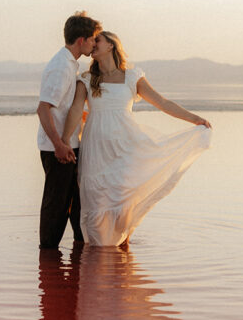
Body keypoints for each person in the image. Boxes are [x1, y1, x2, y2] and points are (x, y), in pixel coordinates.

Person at [61, 31, 211, 247]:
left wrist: (194, 118)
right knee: (96, 201)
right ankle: (99, 260)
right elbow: (76, 110)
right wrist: (64, 140)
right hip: (96, 148)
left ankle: (124, 255)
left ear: (111, 45)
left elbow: (162, 102)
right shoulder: (86, 79)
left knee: (123, 204)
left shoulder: (132, 77)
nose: (93, 44)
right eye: (92, 40)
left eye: (98, 40)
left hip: (126, 146)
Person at [37, 11, 103, 249]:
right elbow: (43, 108)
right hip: (57, 148)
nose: (95, 43)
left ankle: (79, 252)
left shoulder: (69, 64)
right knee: (56, 205)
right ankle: (48, 258)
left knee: (74, 202)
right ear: (81, 40)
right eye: (93, 39)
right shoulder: (61, 66)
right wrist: (59, 145)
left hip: (68, 145)